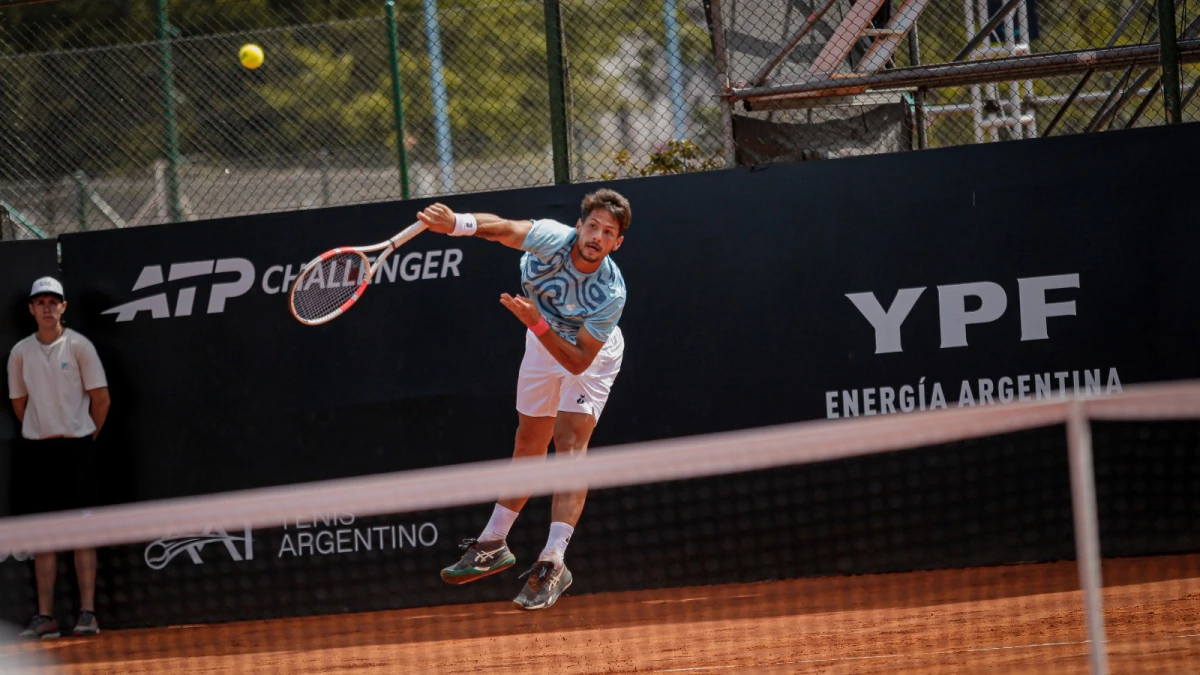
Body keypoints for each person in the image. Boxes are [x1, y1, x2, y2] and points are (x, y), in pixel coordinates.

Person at [420, 189, 630, 611]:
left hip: (586, 355)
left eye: (608, 233)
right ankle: (493, 543)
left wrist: (535, 322)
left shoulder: (610, 293)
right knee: (528, 442)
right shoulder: (552, 238)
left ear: (616, 243)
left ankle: (553, 560)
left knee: (569, 444)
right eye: (593, 226)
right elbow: (503, 229)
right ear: (579, 227)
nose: (597, 236)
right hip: (540, 340)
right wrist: (458, 224)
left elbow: (577, 362)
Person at [6, 277, 110, 638]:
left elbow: (101, 400)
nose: (47, 307)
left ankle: (88, 613)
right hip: (39, 452)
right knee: (45, 536)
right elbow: (19, 404)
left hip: (78, 448)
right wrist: (43, 430)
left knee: (82, 533)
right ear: (32, 309)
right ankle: (45, 617)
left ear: (63, 306)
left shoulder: (80, 346)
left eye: (53, 301)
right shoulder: (20, 352)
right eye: (40, 302)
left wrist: (81, 432)